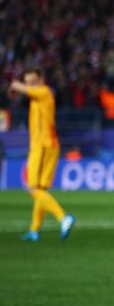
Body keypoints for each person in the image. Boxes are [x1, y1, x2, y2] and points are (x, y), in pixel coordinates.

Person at [8, 68, 75, 242]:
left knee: (32, 188)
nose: (30, 85)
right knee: (40, 190)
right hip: (48, 145)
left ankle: (63, 217)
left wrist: (16, 85)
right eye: (28, 82)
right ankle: (34, 230)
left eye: (33, 82)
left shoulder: (44, 92)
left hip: (43, 146)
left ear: (41, 80)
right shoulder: (36, 98)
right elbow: (20, 93)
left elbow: (17, 86)